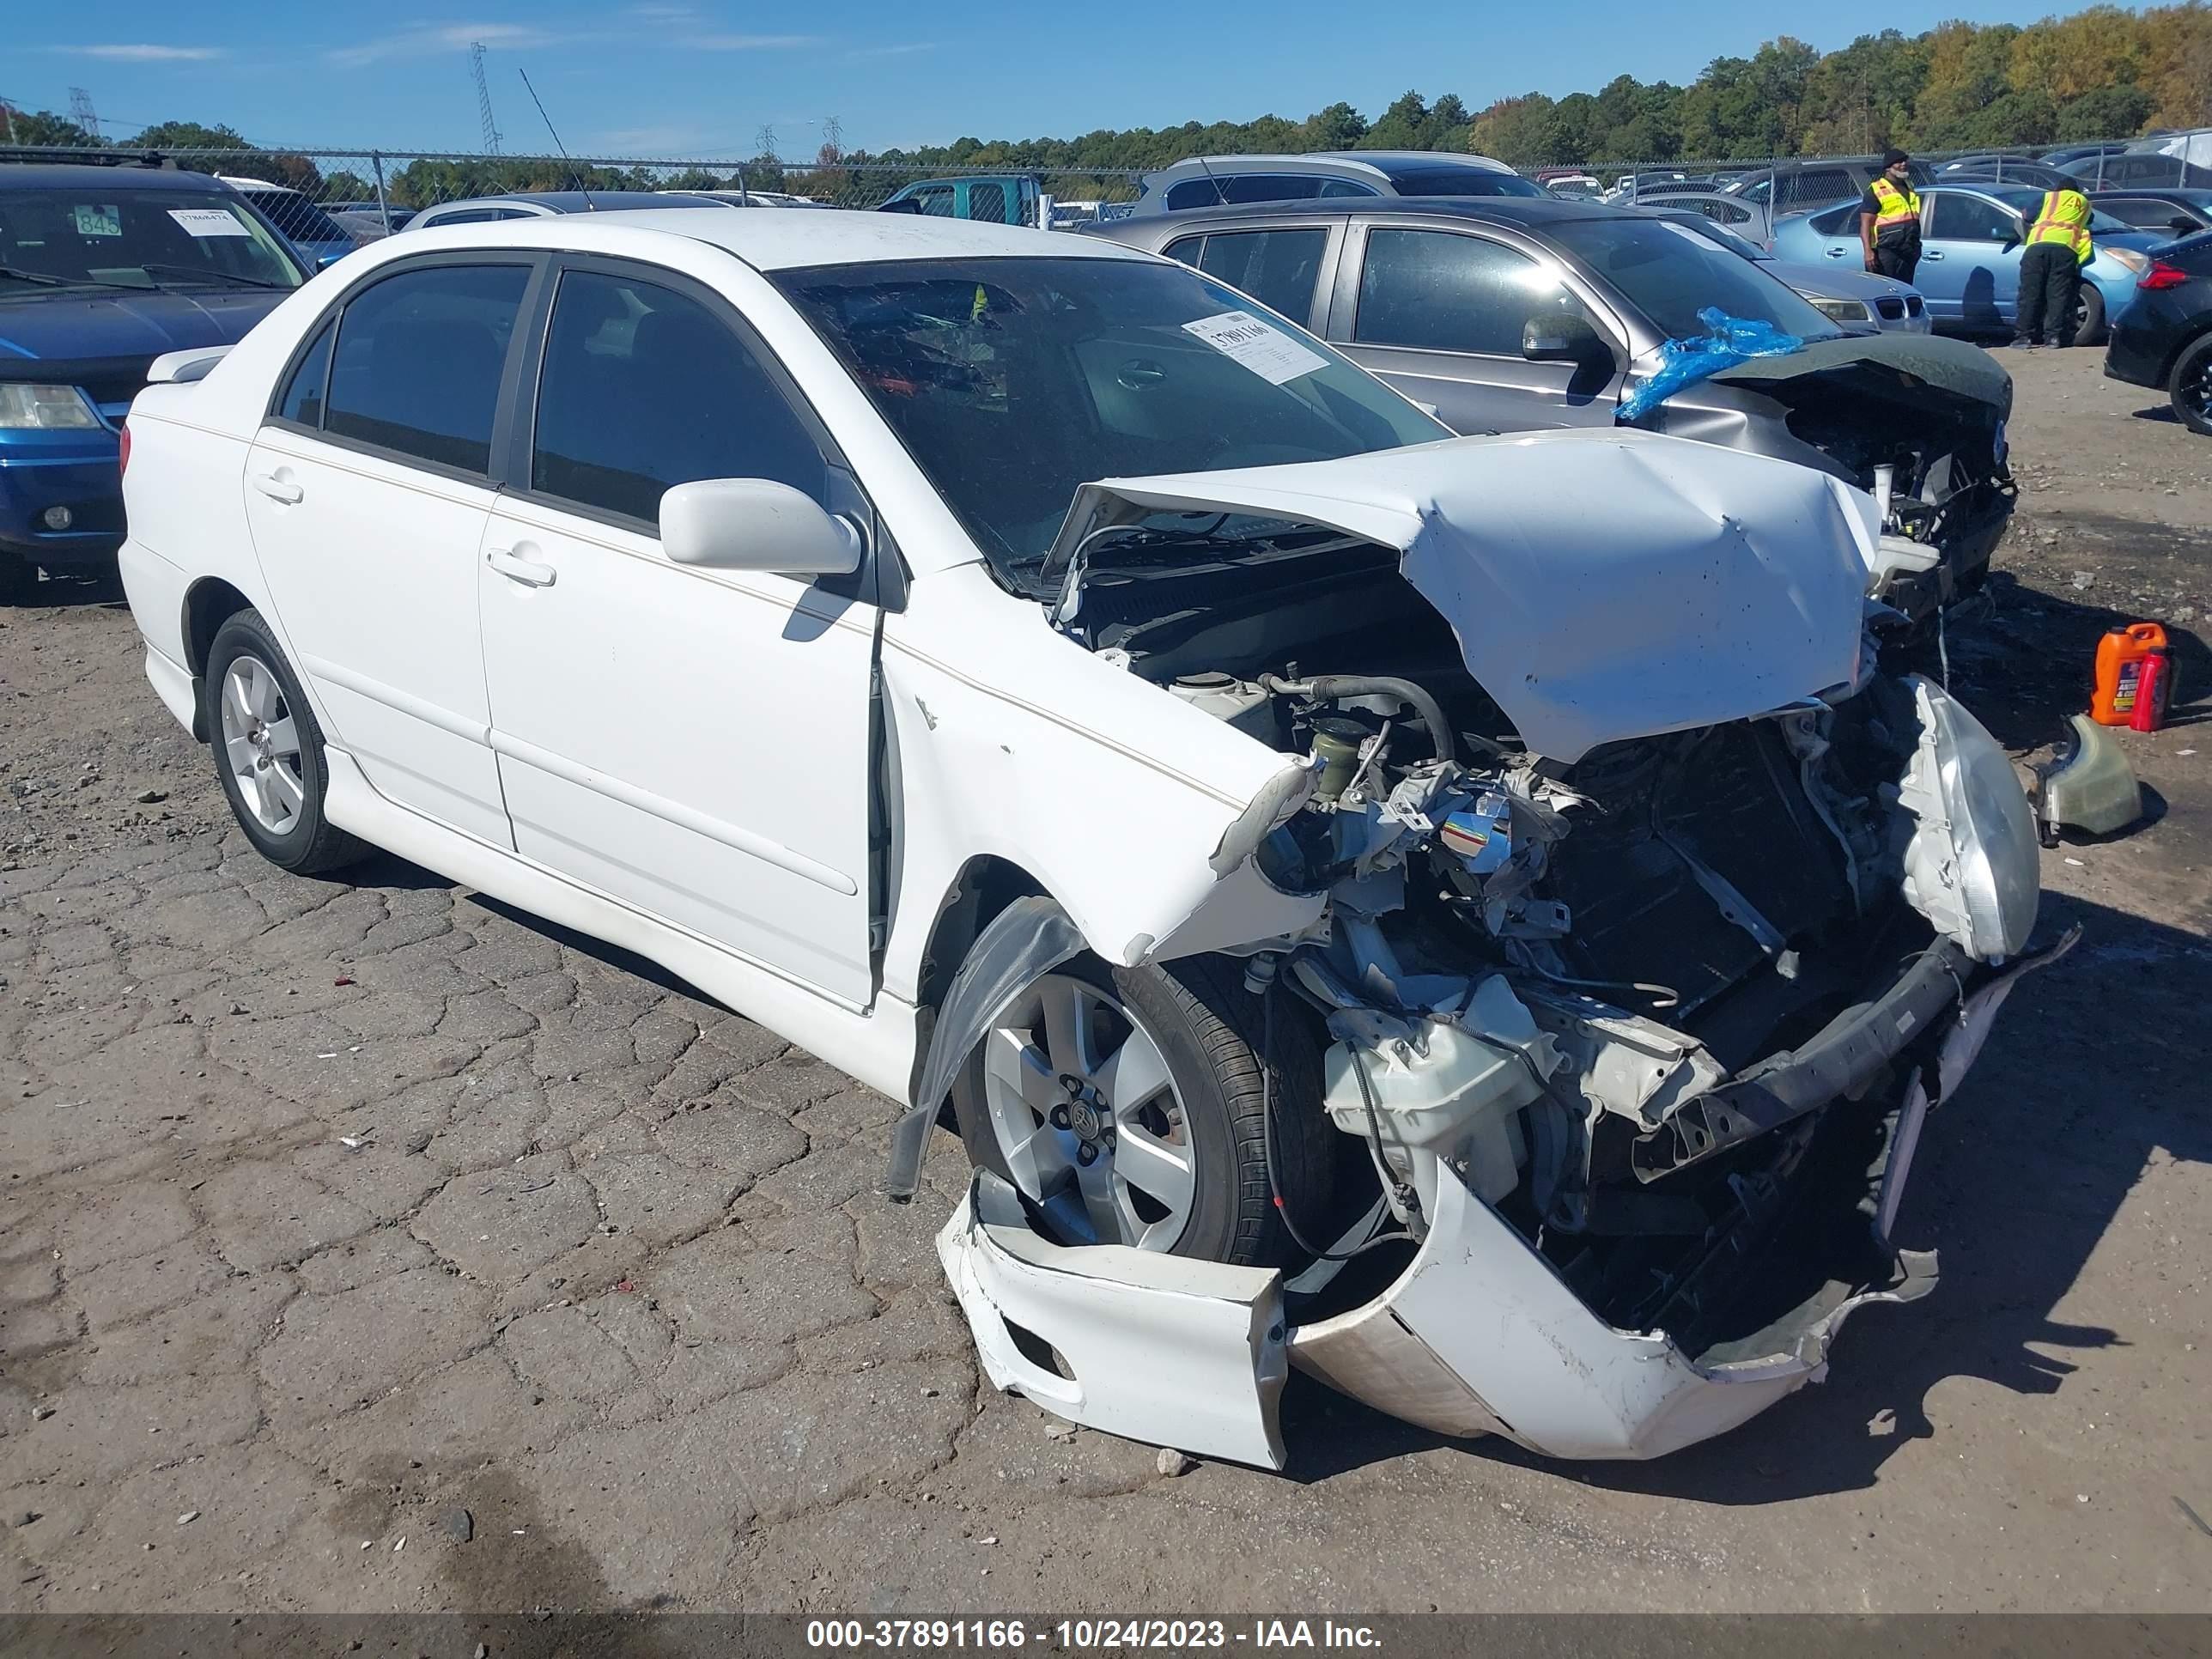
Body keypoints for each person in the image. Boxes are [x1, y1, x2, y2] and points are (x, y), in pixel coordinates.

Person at [2013, 180, 2095, 349]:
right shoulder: (2085, 203)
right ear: (2076, 190)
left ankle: (2023, 337)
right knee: (2058, 295)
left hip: (2038, 247)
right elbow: (2089, 221)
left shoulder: (2048, 197)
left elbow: (2027, 215)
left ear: (2058, 189)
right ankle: (2053, 338)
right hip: (2066, 250)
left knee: (2030, 293)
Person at [1858, 149, 1923, 283]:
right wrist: (1868, 251)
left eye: (1905, 161)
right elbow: (1865, 223)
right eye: (1899, 162)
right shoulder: (1876, 189)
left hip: (1908, 248)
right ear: (1888, 167)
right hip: (1886, 251)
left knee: (1905, 288)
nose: (1903, 164)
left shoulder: (1909, 186)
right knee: (1886, 288)